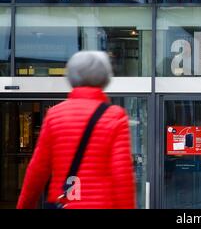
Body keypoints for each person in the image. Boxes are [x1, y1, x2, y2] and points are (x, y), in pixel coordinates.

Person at [17, 51, 136, 209]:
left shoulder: (54, 116)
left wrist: (24, 206)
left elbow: (37, 171)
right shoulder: (115, 116)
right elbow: (122, 176)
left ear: (71, 78)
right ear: (105, 79)